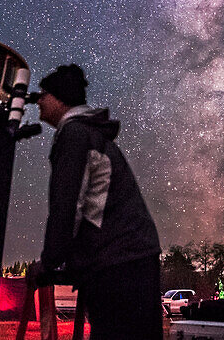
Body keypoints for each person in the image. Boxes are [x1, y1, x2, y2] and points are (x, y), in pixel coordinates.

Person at [31, 64, 162, 340]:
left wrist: (49, 262)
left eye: (43, 94)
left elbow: (68, 206)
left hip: (119, 263)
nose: (38, 100)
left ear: (59, 97)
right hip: (132, 257)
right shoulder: (88, 134)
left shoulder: (75, 135)